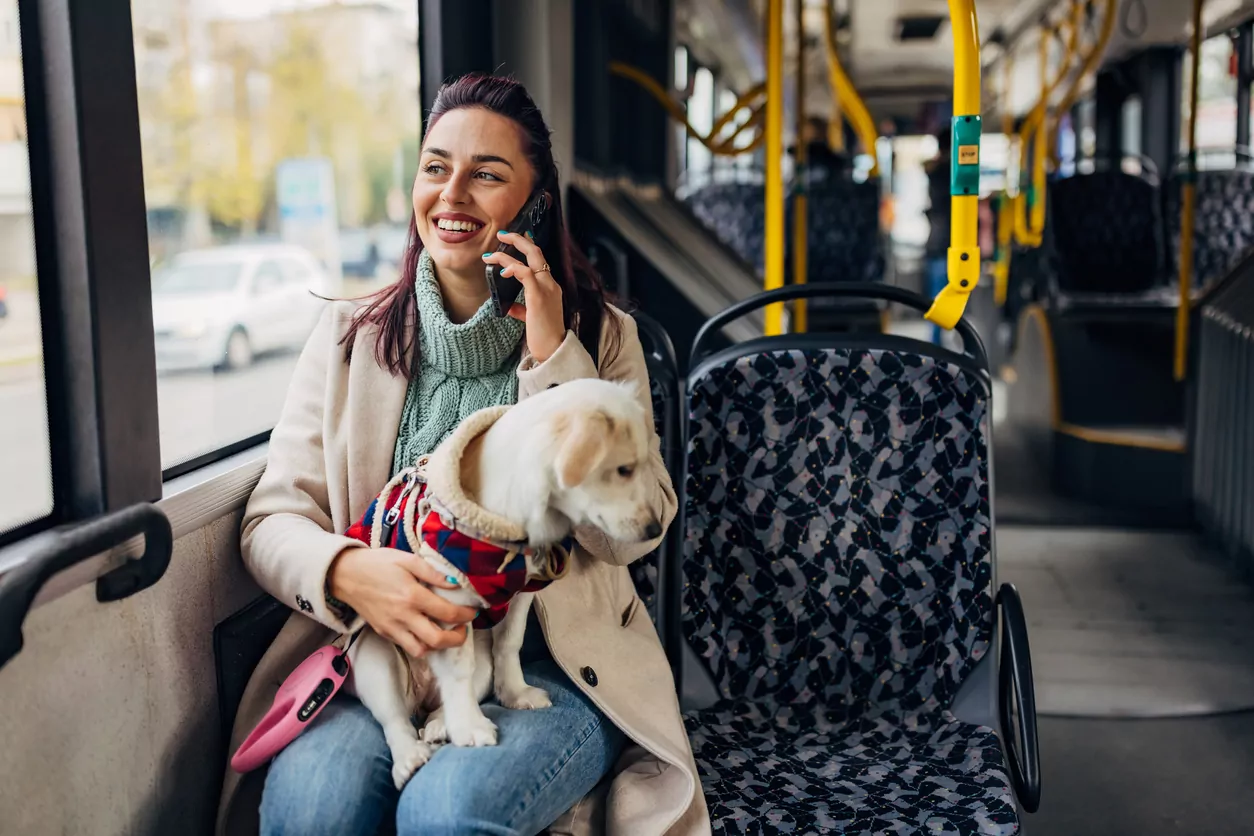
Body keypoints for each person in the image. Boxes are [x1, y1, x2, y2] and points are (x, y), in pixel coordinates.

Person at [215, 73, 710, 836]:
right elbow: (273, 517)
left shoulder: (605, 338)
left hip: (553, 666)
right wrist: (350, 573)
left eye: (487, 175)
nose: (453, 195)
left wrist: (551, 356)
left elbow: (629, 535)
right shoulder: (350, 338)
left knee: (447, 813)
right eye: (436, 167)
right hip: (384, 649)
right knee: (314, 812)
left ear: (534, 204)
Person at [924, 125, 952, 345]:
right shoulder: (951, 172)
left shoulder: (934, 172)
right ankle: (940, 344)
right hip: (949, 242)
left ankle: (936, 343)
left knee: (936, 298)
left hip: (936, 242)